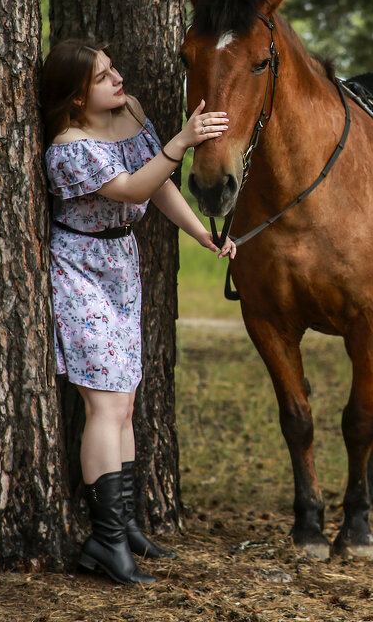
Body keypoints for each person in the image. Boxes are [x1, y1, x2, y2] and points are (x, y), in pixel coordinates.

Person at [41, 39, 236, 585]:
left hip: (120, 266)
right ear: (77, 99)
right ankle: (104, 541)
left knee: (124, 403)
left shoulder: (128, 115)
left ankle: (123, 528)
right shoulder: (68, 147)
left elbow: (161, 183)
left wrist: (204, 234)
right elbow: (131, 188)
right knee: (104, 404)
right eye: (102, 77)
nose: (117, 79)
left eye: (112, 68)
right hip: (79, 269)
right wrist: (181, 142)